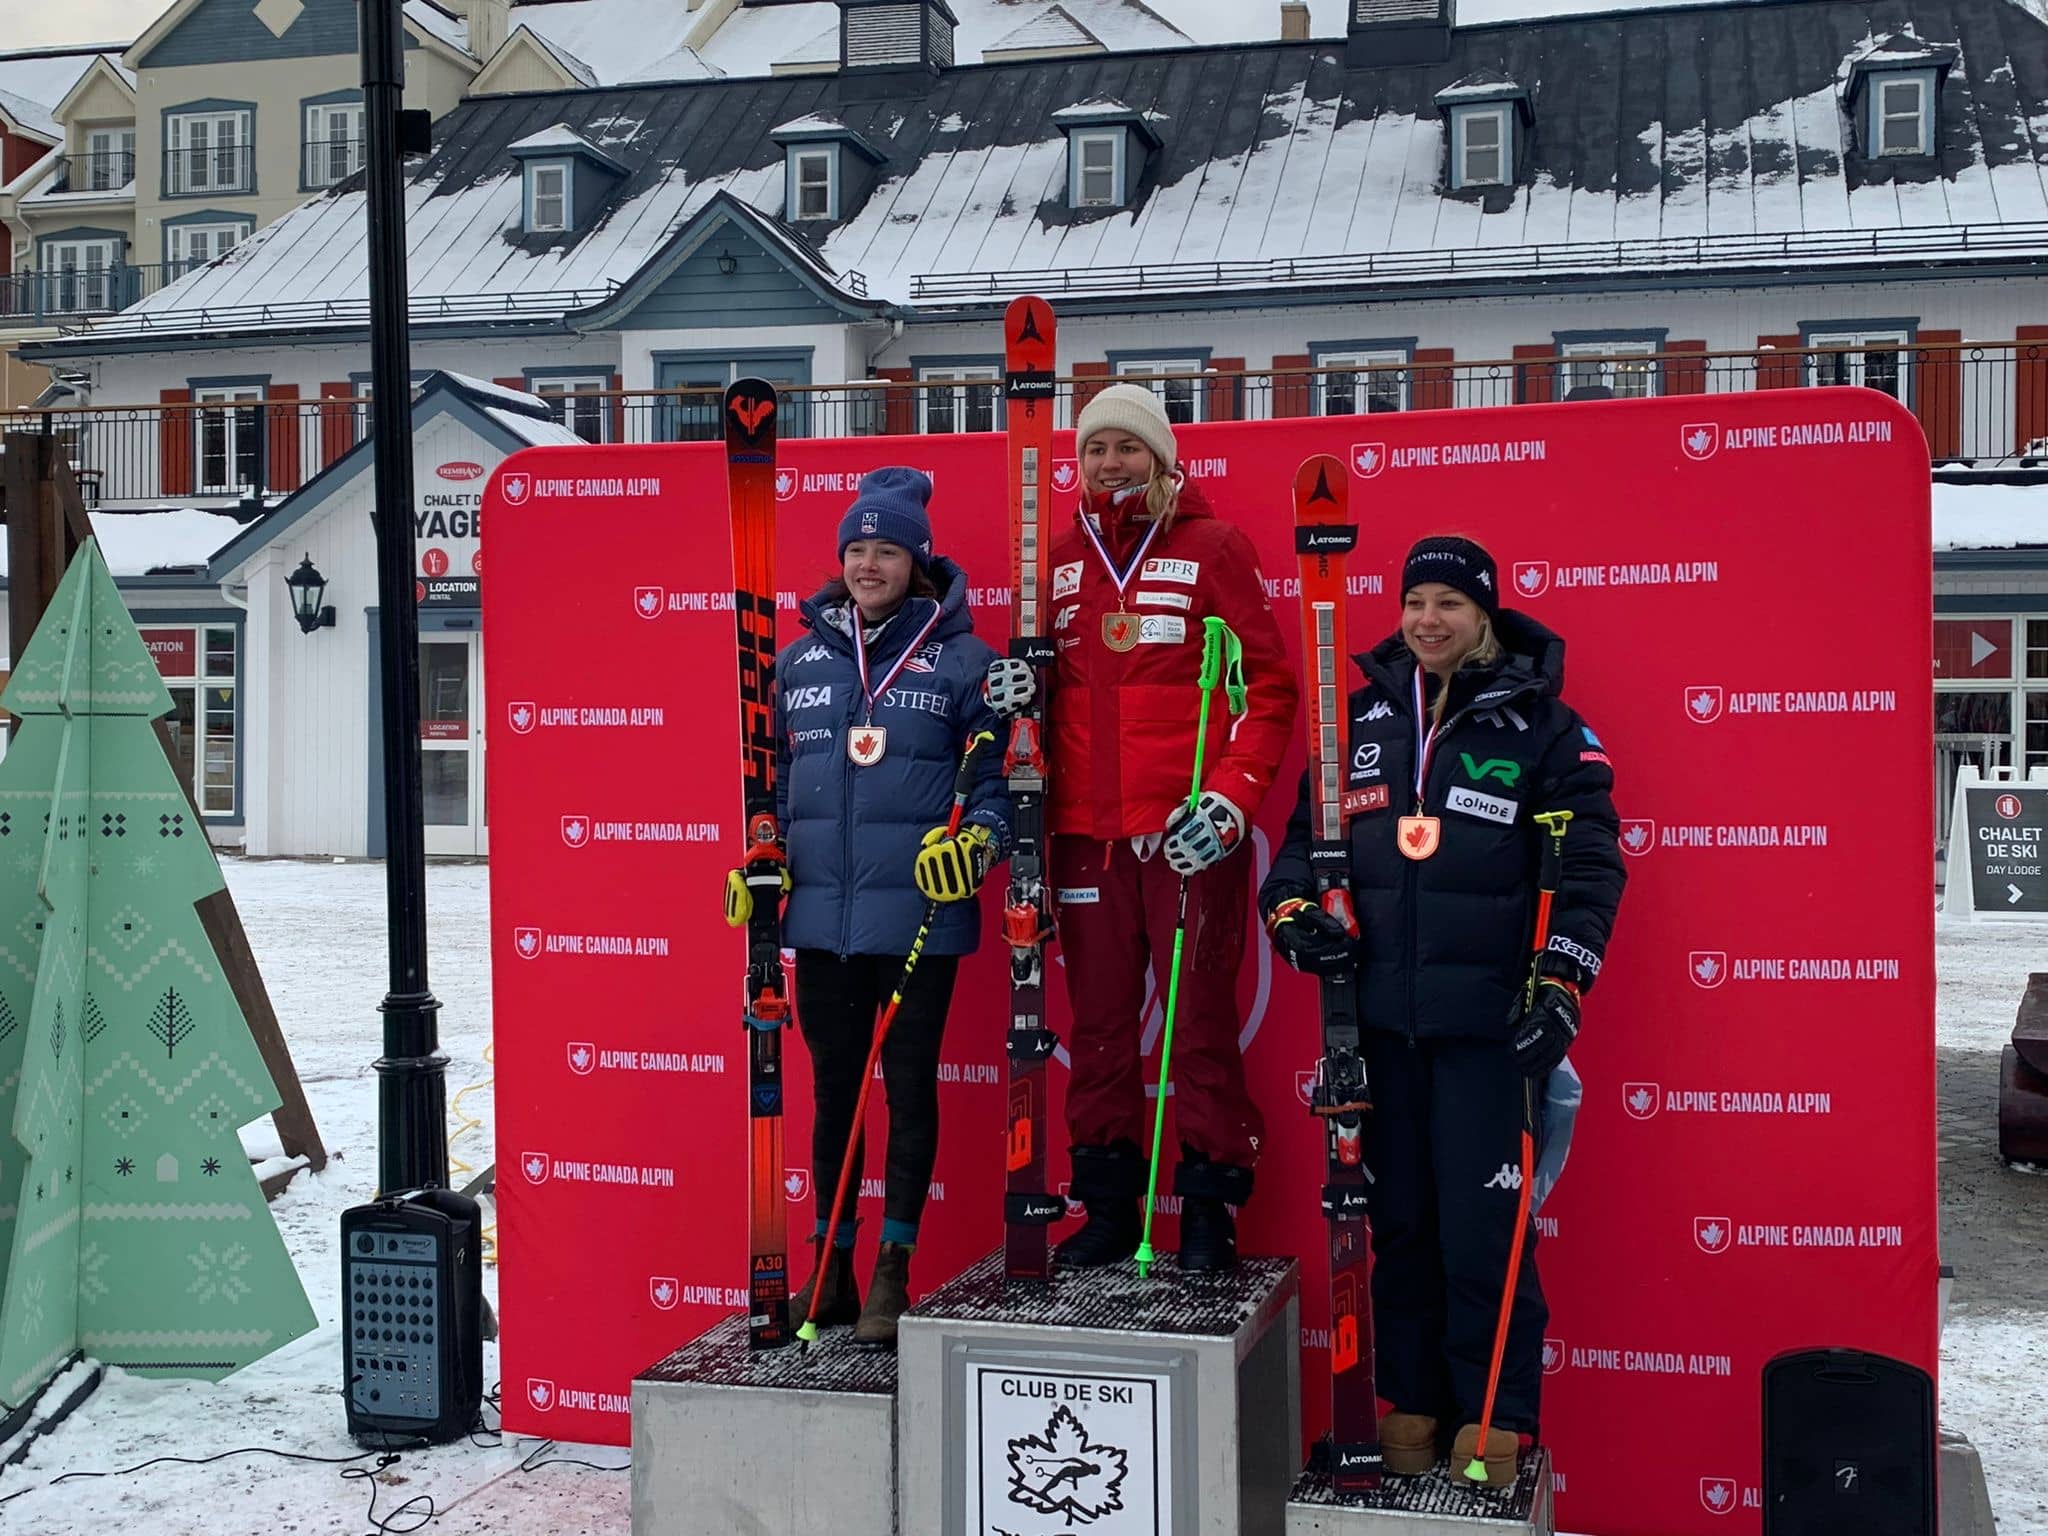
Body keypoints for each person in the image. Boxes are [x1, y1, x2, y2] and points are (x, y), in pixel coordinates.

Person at [1259, 535, 1625, 1484]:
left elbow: (1591, 869)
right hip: (1376, 1022)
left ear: (1484, 615)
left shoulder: (1544, 727)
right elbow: (1302, 843)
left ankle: (1496, 1417)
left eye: (1450, 604)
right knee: (1400, 1227)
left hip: (1487, 1028)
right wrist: (1290, 912)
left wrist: (1563, 982)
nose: (1428, 620)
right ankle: (1413, 1404)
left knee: (1483, 1231)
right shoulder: (1361, 718)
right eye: (1416, 601)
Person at [987, 384, 1298, 1273]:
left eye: (1127, 447)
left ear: (1161, 458)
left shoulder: (1214, 546)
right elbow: (1040, 696)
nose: (1111, 463)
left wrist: (1230, 800)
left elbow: (1269, 687)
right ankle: (1110, 1207)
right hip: (1086, 835)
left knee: (1199, 1022)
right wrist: (1017, 696)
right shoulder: (1056, 561)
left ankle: (1207, 1210)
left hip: (1186, 834)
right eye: (1095, 449)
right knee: (1098, 1027)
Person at [725, 467, 1011, 1347]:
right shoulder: (800, 660)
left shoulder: (965, 661)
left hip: (919, 914)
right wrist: (763, 855)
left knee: (911, 1089)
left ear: (916, 561)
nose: (868, 565)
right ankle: (832, 1270)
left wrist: (979, 846)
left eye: (886, 550)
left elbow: (997, 787)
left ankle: (894, 1269)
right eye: (856, 549)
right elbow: (772, 786)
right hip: (822, 920)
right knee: (834, 1094)